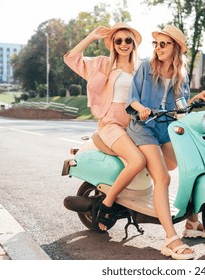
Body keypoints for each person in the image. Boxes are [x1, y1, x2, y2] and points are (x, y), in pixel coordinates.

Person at [125, 25, 205, 260]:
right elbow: (132, 98)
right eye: (156, 44)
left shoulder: (179, 75)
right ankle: (170, 239)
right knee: (163, 178)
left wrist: (195, 99)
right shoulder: (146, 67)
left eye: (164, 44)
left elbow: (180, 106)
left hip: (165, 129)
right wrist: (141, 108)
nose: (158, 48)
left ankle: (192, 221)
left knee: (187, 165)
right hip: (144, 128)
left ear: (175, 48)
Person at [64, 22, 146, 231]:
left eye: (128, 40)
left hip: (135, 124)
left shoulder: (141, 69)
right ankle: (107, 206)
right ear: (113, 44)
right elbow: (71, 58)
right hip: (111, 123)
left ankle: (191, 220)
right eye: (118, 40)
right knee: (137, 161)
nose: (124, 44)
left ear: (134, 43)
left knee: (162, 160)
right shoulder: (104, 64)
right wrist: (91, 36)